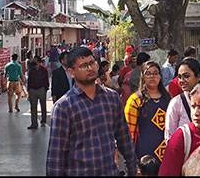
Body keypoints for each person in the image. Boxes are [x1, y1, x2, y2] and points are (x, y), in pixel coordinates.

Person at [46, 47, 137, 176]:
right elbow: (56, 156)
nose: (90, 68)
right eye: (83, 66)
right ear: (71, 72)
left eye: (92, 63)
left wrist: (132, 168)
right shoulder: (64, 107)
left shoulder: (111, 98)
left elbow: (124, 137)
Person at [125, 61, 171, 164]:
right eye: (148, 73)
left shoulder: (169, 99)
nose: (152, 76)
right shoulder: (135, 100)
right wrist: (131, 159)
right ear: (143, 77)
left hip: (167, 154)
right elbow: (128, 133)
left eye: (155, 73)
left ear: (160, 76)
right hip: (144, 155)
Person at [165, 59, 200, 141]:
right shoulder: (176, 103)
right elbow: (169, 137)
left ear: (198, 77)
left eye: (186, 76)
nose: (181, 80)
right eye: (179, 77)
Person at [27, 55, 50, 130]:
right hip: (32, 90)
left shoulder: (44, 70)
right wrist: (29, 90)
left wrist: (45, 88)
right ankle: (34, 123)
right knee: (33, 107)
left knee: (43, 106)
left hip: (41, 89)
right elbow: (29, 81)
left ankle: (43, 121)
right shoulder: (31, 70)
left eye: (37, 61)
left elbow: (46, 79)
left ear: (39, 62)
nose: (36, 63)